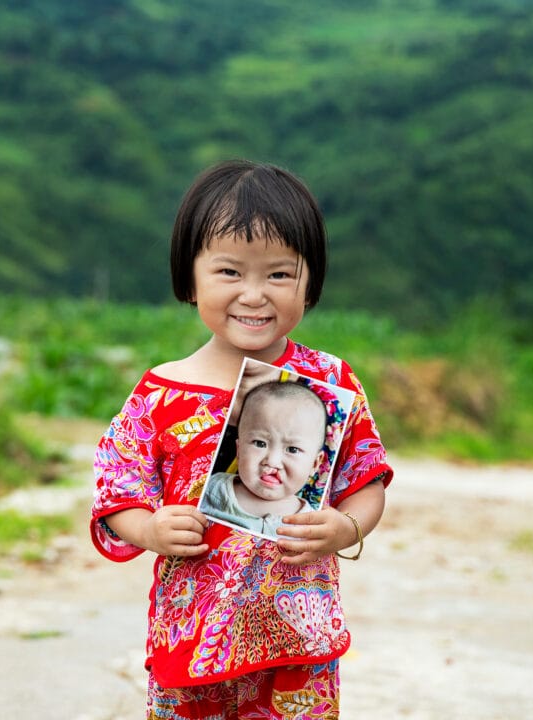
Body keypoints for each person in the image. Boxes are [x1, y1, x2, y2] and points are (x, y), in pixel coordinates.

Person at [91, 159, 393, 718]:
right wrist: (151, 528)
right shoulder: (159, 394)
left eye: (279, 275)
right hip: (191, 645)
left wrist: (345, 526)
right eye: (229, 272)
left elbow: (367, 480)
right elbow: (116, 494)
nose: (254, 295)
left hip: (297, 648)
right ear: (190, 278)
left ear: (311, 283)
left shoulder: (331, 384)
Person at [201, 379, 329, 538]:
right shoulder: (213, 490)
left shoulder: (311, 522)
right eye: (260, 443)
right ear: (239, 449)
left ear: (315, 464)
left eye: (292, 449)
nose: (272, 461)